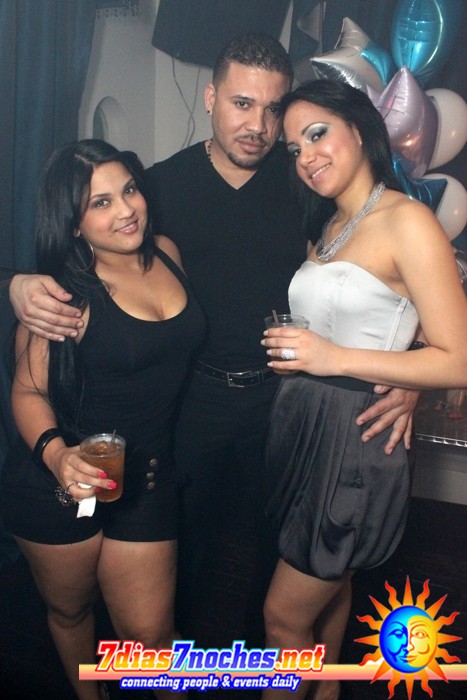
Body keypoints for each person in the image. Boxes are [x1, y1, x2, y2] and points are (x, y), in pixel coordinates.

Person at [7, 34, 418, 646]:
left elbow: (380, 276)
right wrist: (15, 284)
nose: (258, 125)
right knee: (182, 553)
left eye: (273, 109)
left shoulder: (305, 181)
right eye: (241, 104)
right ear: (210, 98)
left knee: (283, 549)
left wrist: (408, 368)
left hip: (283, 398)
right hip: (191, 404)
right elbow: (76, 249)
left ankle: (271, 665)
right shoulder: (156, 188)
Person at [259, 79, 467, 700]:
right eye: (294, 148)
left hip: (356, 433)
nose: (306, 156)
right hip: (305, 421)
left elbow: (460, 359)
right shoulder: (329, 225)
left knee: (282, 617)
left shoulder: (408, 221)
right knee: (332, 585)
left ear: (357, 128)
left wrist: (334, 358)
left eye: (317, 134)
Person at [0, 139, 205, 700]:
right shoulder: (64, 295)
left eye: (129, 190)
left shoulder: (167, 252)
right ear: (73, 224)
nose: (127, 210)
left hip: (147, 477)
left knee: (151, 636)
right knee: (72, 612)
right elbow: (28, 392)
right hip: (61, 484)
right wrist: (58, 456)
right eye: (101, 203)